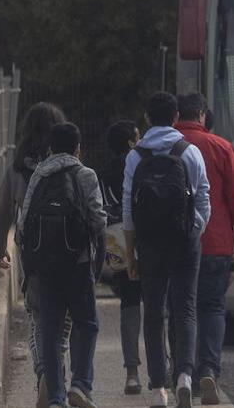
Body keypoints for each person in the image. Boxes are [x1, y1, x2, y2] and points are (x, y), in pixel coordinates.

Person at [124, 92, 212, 408]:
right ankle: (185, 377)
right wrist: (193, 229)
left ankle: (159, 388)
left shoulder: (135, 157)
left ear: (147, 118)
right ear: (176, 117)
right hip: (185, 240)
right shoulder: (190, 152)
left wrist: (131, 253)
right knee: (185, 307)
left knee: (154, 311)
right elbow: (203, 198)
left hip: (149, 243)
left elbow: (128, 210)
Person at [16, 122, 106, 408]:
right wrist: (97, 263)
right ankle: (81, 385)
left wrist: (29, 269)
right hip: (78, 264)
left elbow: (23, 224)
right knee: (87, 324)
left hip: (44, 267)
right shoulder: (85, 174)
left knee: (50, 332)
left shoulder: (39, 174)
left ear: (51, 148)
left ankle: (56, 398)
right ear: (79, 147)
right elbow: (97, 220)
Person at [175, 93, 234, 405]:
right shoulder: (222, 148)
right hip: (216, 245)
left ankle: (182, 373)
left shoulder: (163, 147)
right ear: (203, 116)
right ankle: (208, 369)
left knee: (181, 310)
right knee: (212, 308)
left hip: (174, 246)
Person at [0, 101, 71, 408]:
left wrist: (0, 249)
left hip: (32, 255)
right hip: (68, 252)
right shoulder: (68, 163)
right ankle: (57, 381)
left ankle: (44, 376)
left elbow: (2, 214)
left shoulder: (17, 168)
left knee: (38, 319)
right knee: (63, 323)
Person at [100, 120, 144, 396]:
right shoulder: (142, 164)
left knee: (129, 304)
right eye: (137, 137)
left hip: (118, 243)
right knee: (156, 305)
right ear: (130, 142)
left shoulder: (104, 173)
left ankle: (132, 372)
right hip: (146, 239)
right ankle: (166, 367)